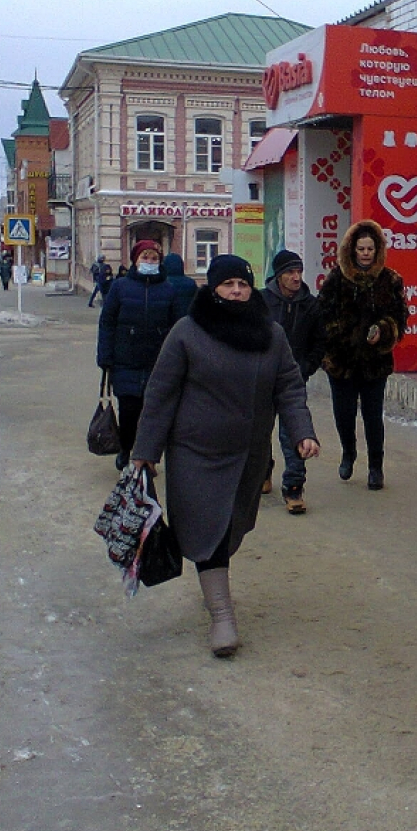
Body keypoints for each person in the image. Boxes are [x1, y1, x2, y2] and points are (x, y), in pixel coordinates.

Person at [131, 255, 319, 657]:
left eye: (243, 284)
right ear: (212, 288)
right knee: (209, 532)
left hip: (249, 455)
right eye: (228, 283)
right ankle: (222, 615)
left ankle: (212, 584)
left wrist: (302, 432)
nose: (236, 291)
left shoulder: (271, 335)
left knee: (229, 528)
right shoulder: (187, 332)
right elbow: (161, 394)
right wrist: (144, 451)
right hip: (194, 453)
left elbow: (289, 386)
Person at [318, 219, 408, 490]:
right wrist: (340, 336)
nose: (366, 253)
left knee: (373, 416)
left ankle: (375, 467)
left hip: (374, 362)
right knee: (344, 415)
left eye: (370, 248)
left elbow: (399, 318)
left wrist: (383, 330)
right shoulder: (336, 278)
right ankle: (348, 453)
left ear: (378, 249)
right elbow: (321, 315)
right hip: (342, 361)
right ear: (352, 250)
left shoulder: (390, 280)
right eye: (361, 248)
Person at [97, 239, 186, 471]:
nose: (149, 262)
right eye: (145, 258)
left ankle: (147, 457)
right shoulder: (120, 287)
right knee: (128, 411)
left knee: (153, 413)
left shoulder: (168, 289)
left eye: (154, 258)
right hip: (125, 360)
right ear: (135, 261)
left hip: (158, 362)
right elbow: (107, 322)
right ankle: (127, 450)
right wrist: (105, 356)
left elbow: (179, 327)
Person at [261, 249, 326, 514]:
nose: (296, 277)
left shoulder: (310, 305)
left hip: (293, 379)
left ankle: (294, 487)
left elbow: (319, 342)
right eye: (290, 272)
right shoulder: (262, 302)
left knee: (294, 433)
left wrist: (306, 368)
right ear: (278, 276)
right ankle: (263, 472)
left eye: (298, 271)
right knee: (260, 430)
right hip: (263, 378)